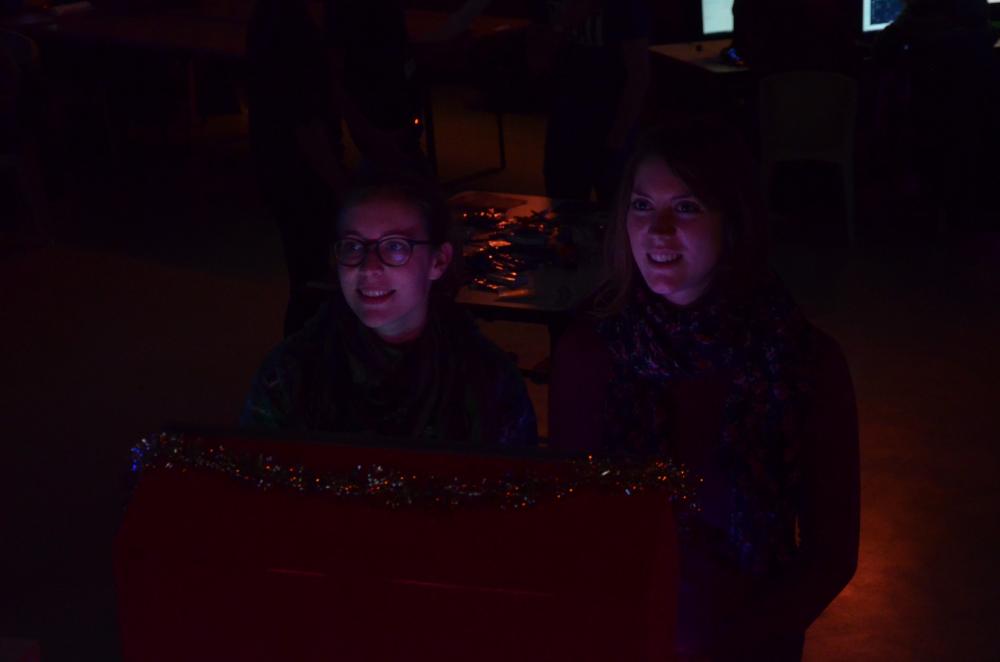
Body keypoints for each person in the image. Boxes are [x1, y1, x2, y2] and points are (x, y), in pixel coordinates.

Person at [549, 121, 859, 660]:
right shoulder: (589, 353)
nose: (658, 230)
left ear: (733, 220)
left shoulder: (802, 361)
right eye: (642, 206)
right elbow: (571, 527)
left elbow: (830, 555)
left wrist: (732, 640)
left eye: (687, 207)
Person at [242, 178, 537, 448]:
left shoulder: (488, 380)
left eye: (396, 246)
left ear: (438, 260)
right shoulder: (290, 375)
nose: (369, 267)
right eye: (353, 246)